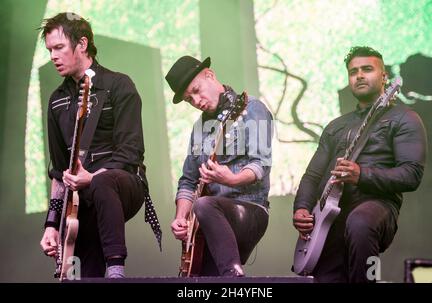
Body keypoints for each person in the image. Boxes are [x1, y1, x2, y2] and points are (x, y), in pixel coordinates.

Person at [39, 12, 161, 279]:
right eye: (49, 50)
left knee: (101, 184)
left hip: (123, 184)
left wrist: (91, 177)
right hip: (79, 200)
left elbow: (130, 152)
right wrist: (51, 225)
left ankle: (115, 271)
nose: (53, 57)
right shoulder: (56, 101)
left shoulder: (119, 85)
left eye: (59, 47)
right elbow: (60, 171)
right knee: (79, 273)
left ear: (82, 44)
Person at [292, 46, 427, 282]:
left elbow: (411, 174)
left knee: (360, 222)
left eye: (367, 69)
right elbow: (312, 176)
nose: (360, 75)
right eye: (353, 71)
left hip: (377, 205)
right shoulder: (336, 126)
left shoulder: (404, 118)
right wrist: (302, 208)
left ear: (384, 77)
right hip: (328, 216)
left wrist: (362, 175)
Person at [165, 56, 273, 276]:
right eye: (189, 99)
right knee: (200, 279)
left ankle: (233, 276)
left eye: (196, 90)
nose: (196, 101)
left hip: (249, 209)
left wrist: (231, 179)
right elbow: (188, 180)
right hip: (207, 219)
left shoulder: (252, 108)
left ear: (210, 75)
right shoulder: (198, 128)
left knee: (204, 205)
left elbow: (261, 164)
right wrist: (180, 218)